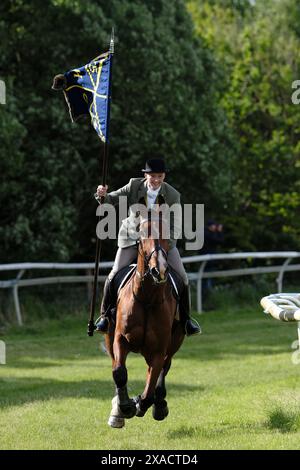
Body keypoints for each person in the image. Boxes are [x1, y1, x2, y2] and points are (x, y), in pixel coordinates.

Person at [94, 158, 201, 336]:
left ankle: (186, 320)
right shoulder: (133, 186)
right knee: (113, 275)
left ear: (164, 175)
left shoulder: (173, 195)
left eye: (160, 176)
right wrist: (102, 195)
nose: (156, 180)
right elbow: (110, 201)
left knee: (182, 277)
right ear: (145, 175)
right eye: (152, 176)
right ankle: (105, 317)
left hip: (160, 244)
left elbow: (176, 226)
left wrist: (161, 245)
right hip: (132, 239)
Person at [200, 219, 224, 306]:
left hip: (207, 262)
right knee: (206, 285)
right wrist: (219, 232)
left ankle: (206, 303)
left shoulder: (205, 233)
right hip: (208, 263)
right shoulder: (207, 234)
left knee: (206, 283)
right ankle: (206, 304)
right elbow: (220, 241)